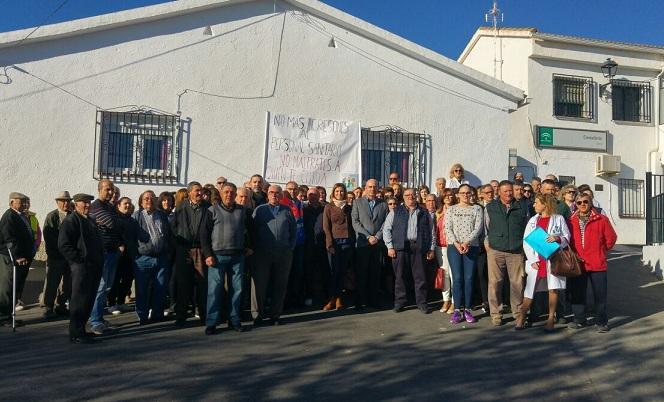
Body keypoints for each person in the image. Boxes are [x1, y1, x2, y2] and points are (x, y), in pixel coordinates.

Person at [201, 182, 252, 335]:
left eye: (232, 192)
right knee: (214, 290)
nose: (229, 194)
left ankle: (234, 320)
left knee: (237, 289)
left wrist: (249, 246)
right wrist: (208, 254)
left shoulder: (243, 211)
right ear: (221, 194)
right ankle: (212, 322)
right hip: (217, 256)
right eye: (226, 192)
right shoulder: (212, 210)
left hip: (237, 256)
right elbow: (204, 235)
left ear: (236, 195)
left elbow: (250, 230)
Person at [518, 194, 570, 331]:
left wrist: (557, 238)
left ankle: (550, 318)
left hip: (553, 259)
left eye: (536, 202)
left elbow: (567, 237)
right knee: (530, 291)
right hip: (537, 261)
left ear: (545, 204)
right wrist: (533, 260)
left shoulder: (558, 219)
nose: (534, 205)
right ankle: (521, 317)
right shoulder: (533, 220)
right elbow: (526, 240)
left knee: (553, 289)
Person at [58, 193, 104, 344]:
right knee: (79, 300)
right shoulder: (71, 221)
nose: (87, 205)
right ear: (76, 204)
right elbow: (64, 245)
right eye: (83, 203)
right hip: (81, 267)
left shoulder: (90, 220)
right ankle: (76, 333)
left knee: (88, 299)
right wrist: (78, 260)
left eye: (89, 203)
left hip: (93, 266)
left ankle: (82, 329)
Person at [567, 192, 617, 332]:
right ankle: (579, 319)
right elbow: (568, 240)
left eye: (585, 202)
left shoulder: (601, 219)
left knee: (600, 294)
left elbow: (611, 238)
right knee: (578, 293)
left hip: (597, 263)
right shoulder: (570, 221)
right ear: (575, 204)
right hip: (578, 263)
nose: (582, 204)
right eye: (579, 202)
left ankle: (601, 321)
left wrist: (600, 250)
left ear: (590, 203)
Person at [383, 188, 435, 314]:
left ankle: (421, 303)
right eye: (407, 195)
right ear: (403, 197)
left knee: (420, 277)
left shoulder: (424, 212)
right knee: (400, 276)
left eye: (413, 194)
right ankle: (400, 302)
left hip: (419, 247)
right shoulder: (395, 211)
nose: (410, 197)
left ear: (417, 196)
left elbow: (432, 232)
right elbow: (386, 230)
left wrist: (431, 248)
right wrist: (389, 246)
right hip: (401, 247)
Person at [484, 180, 528, 326]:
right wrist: (488, 246)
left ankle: (517, 312)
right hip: (496, 250)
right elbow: (485, 228)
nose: (509, 193)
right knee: (495, 283)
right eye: (506, 191)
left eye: (511, 190)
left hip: (516, 250)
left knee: (517, 283)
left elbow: (527, 227)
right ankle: (496, 313)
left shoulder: (522, 206)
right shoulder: (490, 207)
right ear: (499, 193)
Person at [251, 185, 296, 326]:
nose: (274, 195)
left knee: (280, 284)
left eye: (277, 193)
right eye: (271, 192)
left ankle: (275, 315)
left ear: (281, 195)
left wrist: (290, 248)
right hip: (262, 254)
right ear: (267, 194)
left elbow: (293, 231)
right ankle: (257, 315)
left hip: (283, 254)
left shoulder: (287, 210)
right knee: (259, 284)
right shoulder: (260, 210)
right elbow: (252, 231)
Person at [171, 181, 212, 327]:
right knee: (183, 283)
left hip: (201, 249)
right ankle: (181, 315)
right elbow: (173, 227)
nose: (199, 193)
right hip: (184, 249)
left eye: (200, 190)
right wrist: (178, 243)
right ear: (189, 193)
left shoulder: (208, 207)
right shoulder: (181, 207)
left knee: (203, 283)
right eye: (196, 191)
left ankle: (203, 314)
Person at [88, 179, 123, 335]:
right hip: (101, 254)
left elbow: (117, 225)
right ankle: (95, 322)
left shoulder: (110, 207)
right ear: (99, 190)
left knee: (106, 288)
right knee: (100, 288)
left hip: (113, 252)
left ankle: (99, 318)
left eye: (112, 190)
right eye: (107, 189)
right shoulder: (95, 207)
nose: (111, 193)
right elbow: (114, 224)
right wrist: (116, 221)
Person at [445, 184, 484, 324]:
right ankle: (457, 310)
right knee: (457, 278)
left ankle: (467, 309)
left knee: (468, 278)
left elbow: (478, 228)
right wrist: (457, 243)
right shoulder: (451, 209)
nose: (465, 195)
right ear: (458, 194)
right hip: (454, 247)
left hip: (471, 247)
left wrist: (467, 242)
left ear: (472, 194)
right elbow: (447, 228)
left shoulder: (477, 209)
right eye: (462, 193)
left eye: (468, 193)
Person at [133, 190, 171, 325]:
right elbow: (131, 237)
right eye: (146, 199)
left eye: (152, 198)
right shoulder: (136, 216)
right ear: (141, 202)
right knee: (142, 288)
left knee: (160, 287)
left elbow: (167, 233)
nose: (149, 201)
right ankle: (142, 315)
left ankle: (157, 313)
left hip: (161, 257)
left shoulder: (161, 215)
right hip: (143, 258)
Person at [351, 179, 389, 311]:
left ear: (378, 188)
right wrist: (368, 236)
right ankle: (360, 301)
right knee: (361, 273)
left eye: (375, 187)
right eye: (370, 187)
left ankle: (373, 300)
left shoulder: (383, 204)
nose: (372, 189)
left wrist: (377, 237)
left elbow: (386, 223)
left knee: (375, 273)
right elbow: (355, 222)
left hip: (377, 244)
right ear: (365, 188)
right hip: (362, 243)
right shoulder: (357, 202)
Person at [0, 192, 34, 325]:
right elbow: (9, 238)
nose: (24, 204)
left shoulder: (20, 216)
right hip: (10, 257)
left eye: (25, 201)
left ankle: (9, 315)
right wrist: (17, 256)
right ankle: (3, 317)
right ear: (12, 203)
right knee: (7, 287)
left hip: (21, 258)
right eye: (20, 202)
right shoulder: (9, 216)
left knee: (16, 286)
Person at [322, 183, 355, 311]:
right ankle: (332, 299)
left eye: (341, 191)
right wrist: (329, 243)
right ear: (333, 193)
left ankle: (339, 299)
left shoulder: (349, 207)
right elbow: (326, 227)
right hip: (334, 243)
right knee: (333, 272)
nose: (339, 194)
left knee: (342, 272)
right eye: (337, 191)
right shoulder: (328, 207)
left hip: (347, 242)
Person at [41, 191, 73, 319]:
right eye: (63, 201)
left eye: (67, 201)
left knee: (67, 283)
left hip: (69, 256)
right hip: (56, 256)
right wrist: (58, 251)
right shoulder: (52, 216)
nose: (65, 203)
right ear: (57, 202)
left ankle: (61, 305)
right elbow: (49, 236)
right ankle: (47, 307)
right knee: (51, 282)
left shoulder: (73, 215)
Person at [107, 197, 137, 315]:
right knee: (115, 279)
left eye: (129, 204)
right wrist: (119, 244)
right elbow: (111, 235)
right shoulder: (114, 219)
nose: (128, 206)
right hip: (117, 254)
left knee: (127, 279)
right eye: (125, 204)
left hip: (130, 255)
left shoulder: (132, 220)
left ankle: (121, 302)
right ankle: (111, 303)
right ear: (118, 205)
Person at [282, 181, 306, 308]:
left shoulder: (299, 203)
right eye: (290, 189)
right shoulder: (283, 203)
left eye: (295, 189)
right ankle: (286, 301)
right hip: (288, 243)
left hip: (300, 242)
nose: (292, 191)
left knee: (298, 272)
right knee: (287, 273)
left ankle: (296, 299)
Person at [303, 188, 328, 307]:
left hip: (322, 245)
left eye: (315, 195)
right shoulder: (303, 209)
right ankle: (309, 295)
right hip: (307, 245)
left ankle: (324, 296)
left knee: (324, 271)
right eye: (310, 195)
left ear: (319, 196)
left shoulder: (325, 208)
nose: (312, 197)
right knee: (308, 271)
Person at [435, 189, 455, 314]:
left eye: (450, 195)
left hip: (453, 246)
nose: (448, 197)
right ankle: (446, 300)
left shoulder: (457, 210)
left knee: (454, 275)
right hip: (440, 246)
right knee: (444, 275)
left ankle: (455, 301)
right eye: (446, 195)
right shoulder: (438, 212)